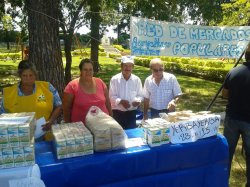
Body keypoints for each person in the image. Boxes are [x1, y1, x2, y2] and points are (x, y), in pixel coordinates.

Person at [1, 60, 62, 141]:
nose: (28, 79)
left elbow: (59, 106)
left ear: (35, 75)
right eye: (25, 76)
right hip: (20, 140)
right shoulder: (9, 93)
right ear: (20, 76)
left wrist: (50, 121)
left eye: (31, 75)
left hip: (46, 136)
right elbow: (2, 117)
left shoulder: (47, 87)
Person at [222, 47, 250, 187]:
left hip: (232, 118)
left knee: (226, 153)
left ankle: (222, 181)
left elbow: (225, 94)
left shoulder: (233, 71)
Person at [63, 58, 112, 124]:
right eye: (85, 70)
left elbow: (108, 103)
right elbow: (66, 108)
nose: (88, 72)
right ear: (80, 71)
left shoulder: (100, 82)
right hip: (82, 128)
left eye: (90, 70)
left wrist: (111, 117)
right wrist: (68, 124)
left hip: (103, 125)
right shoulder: (72, 86)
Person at [109, 56, 143, 129]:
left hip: (131, 113)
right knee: (118, 135)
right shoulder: (114, 79)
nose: (128, 68)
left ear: (133, 67)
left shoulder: (137, 80)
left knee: (131, 135)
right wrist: (120, 101)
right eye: (125, 65)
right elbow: (111, 96)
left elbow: (140, 95)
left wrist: (138, 101)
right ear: (121, 66)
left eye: (130, 66)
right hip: (117, 113)